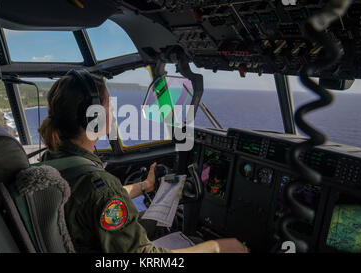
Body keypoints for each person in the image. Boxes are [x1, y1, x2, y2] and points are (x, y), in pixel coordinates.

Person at [38, 69, 248, 253]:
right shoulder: (99, 185)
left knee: (153, 219)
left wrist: (144, 186)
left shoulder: (51, 161)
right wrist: (215, 248)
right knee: (197, 241)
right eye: (108, 104)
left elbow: (91, 200)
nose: (112, 110)